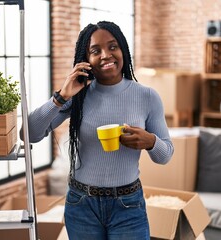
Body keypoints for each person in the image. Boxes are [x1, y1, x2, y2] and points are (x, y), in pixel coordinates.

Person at [25, 21, 174, 240]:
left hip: (128, 205)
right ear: (86, 60)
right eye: (95, 51)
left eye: (113, 47)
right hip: (81, 204)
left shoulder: (147, 97)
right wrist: (61, 96)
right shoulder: (77, 95)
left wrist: (151, 141)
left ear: (123, 49)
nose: (106, 55)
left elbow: (166, 155)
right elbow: (29, 133)